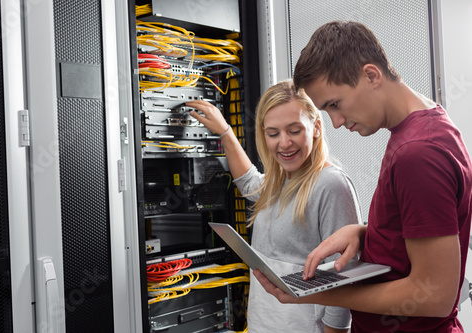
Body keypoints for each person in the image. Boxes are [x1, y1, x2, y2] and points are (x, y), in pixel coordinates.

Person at [253, 21, 472, 333]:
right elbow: (418, 231)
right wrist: (364, 232)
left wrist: (316, 294)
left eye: (335, 105)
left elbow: (434, 294)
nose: (337, 122)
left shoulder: (418, 153)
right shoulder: (422, 127)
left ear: (371, 75)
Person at [186, 79, 360, 333]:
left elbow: (342, 273)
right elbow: (249, 184)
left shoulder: (331, 184)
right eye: (273, 133)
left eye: (294, 130)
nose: (284, 143)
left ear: (316, 128)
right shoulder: (280, 181)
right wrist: (225, 132)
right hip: (263, 324)